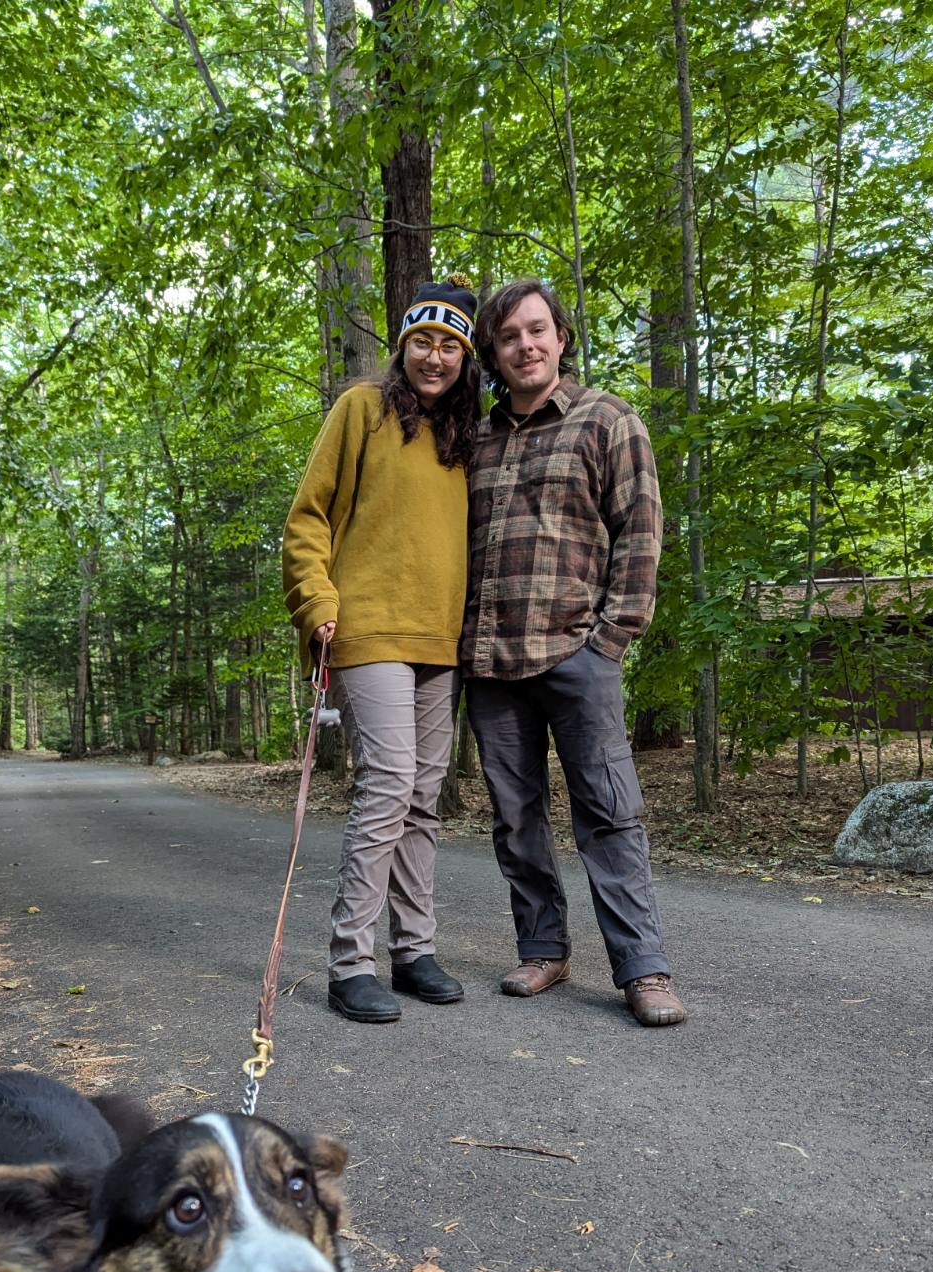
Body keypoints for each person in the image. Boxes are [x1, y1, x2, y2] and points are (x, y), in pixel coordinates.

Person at [461, 278, 687, 1026]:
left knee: (609, 813)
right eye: (508, 336)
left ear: (561, 337)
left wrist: (609, 641)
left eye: (537, 330)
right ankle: (544, 948)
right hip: (491, 663)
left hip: (576, 656)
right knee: (515, 818)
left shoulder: (608, 420)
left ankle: (643, 969)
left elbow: (641, 536)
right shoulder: (475, 439)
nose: (525, 345)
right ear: (493, 353)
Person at [283, 275, 482, 1024]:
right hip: (367, 628)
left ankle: (415, 950)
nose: (436, 356)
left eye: (451, 345)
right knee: (389, 782)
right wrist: (318, 605)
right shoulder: (360, 410)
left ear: (466, 356)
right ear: (403, 345)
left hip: (440, 636)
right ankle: (349, 960)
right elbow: (307, 518)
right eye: (424, 340)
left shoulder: (465, 436)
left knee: (425, 797)